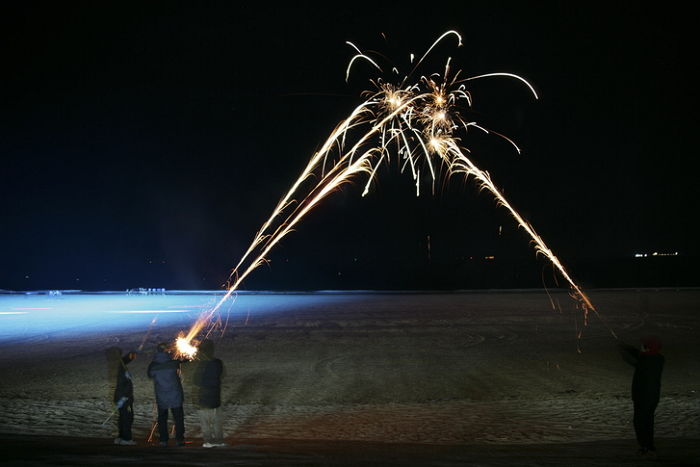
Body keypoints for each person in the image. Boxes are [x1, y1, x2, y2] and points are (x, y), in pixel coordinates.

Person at [619, 336, 664, 455]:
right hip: (652, 396)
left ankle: (645, 446)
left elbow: (631, 359)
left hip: (643, 397)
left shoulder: (646, 361)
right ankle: (649, 445)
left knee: (640, 422)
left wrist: (622, 350)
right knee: (648, 421)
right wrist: (627, 347)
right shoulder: (658, 359)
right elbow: (639, 354)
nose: (642, 347)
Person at [147, 342, 185, 446]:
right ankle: (179, 439)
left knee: (162, 418)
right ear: (168, 351)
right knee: (178, 418)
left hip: (161, 396)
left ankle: (163, 440)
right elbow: (180, 362)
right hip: (175, 395)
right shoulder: (173, 363)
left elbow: (150, 375)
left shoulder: (153, 366)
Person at [192, 339, 226, 448]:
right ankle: (219, 440)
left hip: (203, 397)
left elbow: (195, 381)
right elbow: (222, 375)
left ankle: (208, 441)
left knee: (205, 422)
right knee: (216, 421)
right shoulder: (218, 363)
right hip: (215, 396)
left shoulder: (201, 365)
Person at [114, 350, 137, 446]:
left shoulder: (121, 368)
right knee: (127, 418)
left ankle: (121, 437)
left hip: (122, 398)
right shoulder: (122, 373)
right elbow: (124, 387)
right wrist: (123, 398)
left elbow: (123, 361)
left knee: (123, 418)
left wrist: (130, 356)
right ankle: (126, 439)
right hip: (125, 399)